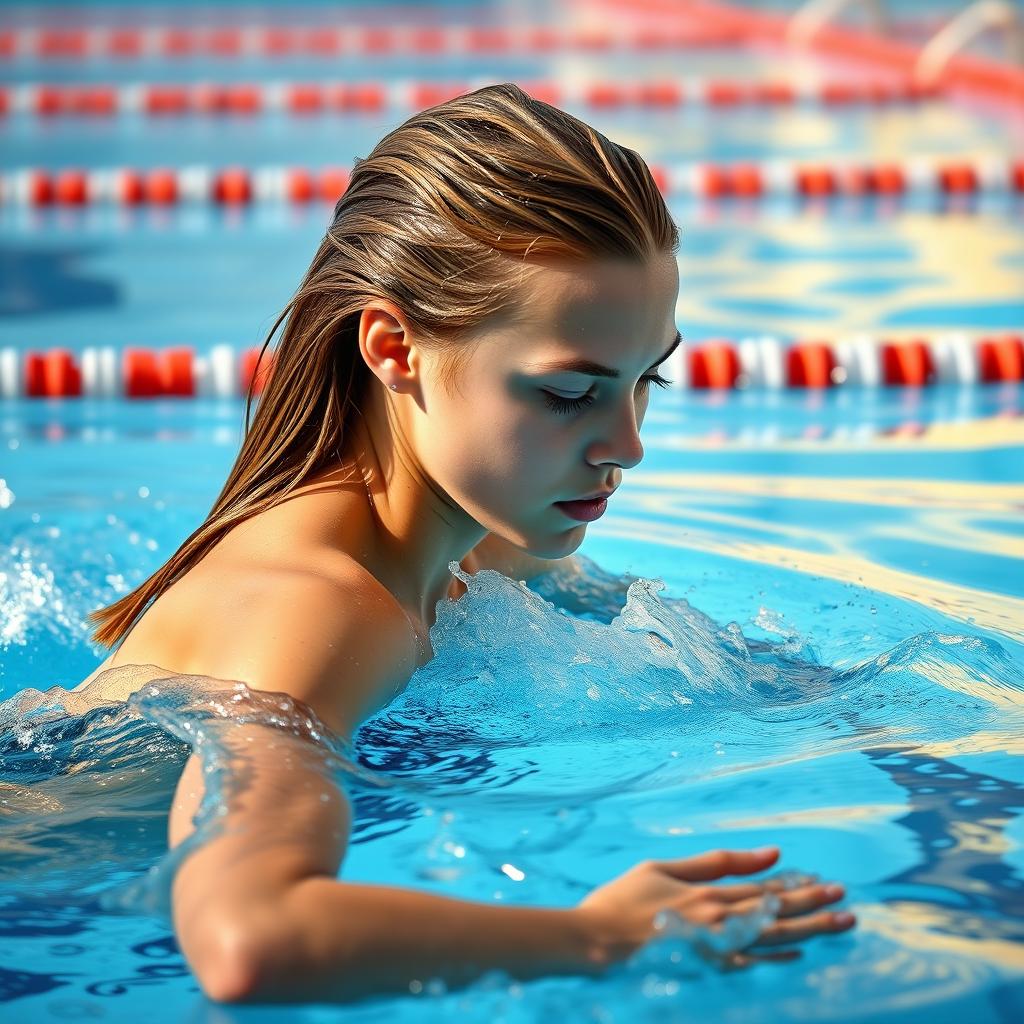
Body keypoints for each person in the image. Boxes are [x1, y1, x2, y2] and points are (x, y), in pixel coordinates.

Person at [77, 83, 855, 1005]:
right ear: (394, 348)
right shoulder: (322, 604)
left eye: (650, 379)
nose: (628, 446)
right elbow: (249, 938)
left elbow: (647, 624)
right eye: (569, 395)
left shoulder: (483, 547)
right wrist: (597, 937)